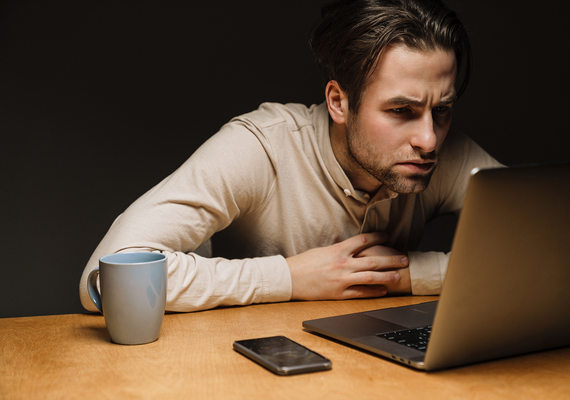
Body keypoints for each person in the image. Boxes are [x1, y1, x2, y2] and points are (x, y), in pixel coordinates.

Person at [79, 0, 502, 313]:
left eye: (441, 110)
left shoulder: (445, 153)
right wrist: (287, 277)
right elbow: (104, 279)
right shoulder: (259, 148)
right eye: (401, 111)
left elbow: (557, 252)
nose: (429, 140)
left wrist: (404, 275)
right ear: (339, 101)